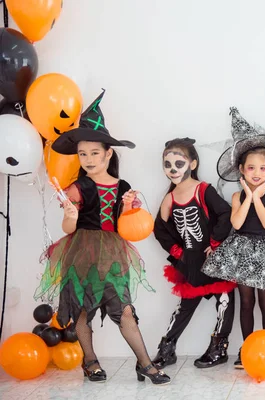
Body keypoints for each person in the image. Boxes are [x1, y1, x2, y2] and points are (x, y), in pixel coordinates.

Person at [34, 90, 170, 384]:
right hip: (81, 253)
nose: (88, 158)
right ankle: (90, 361)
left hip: (112, 254)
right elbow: (68, 229)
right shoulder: (77, 188)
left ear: (109, 153)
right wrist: (70, 216)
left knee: (125, 311)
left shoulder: (123, 187)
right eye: (83, 153)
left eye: (95, 152)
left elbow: (125, 229)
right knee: (83, 312)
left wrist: (128, 209)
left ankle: (145, 364)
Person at [203, 108, 265, 368]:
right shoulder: (236, 196)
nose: (257, 172)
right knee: (246, 302)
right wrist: (249, 196)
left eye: (262, 168)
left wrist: (257, 197)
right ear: (241, 169)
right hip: (242, 250)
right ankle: (248, 349)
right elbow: (237, 223)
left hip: (264, 250)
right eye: (251, 168)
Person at [151, 138, 237, 369]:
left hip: (213, 258)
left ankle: (219, 347)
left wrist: (215, 241)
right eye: (167, 165)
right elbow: (159, 228)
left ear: (192, 163)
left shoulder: (203, 190)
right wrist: (178, 252)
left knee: (225, 300)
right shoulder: (169, 198)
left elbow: (225, 213)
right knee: (185, 306)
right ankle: (167, 348)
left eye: (178, 164)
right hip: (190, 260)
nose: (172, 170)